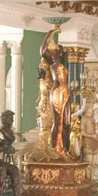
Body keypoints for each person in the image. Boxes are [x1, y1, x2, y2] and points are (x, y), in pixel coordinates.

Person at [41, 27, 71, 156]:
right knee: (57, 121)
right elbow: (42, 51)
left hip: (66, 91)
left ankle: (64, 149)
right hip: (57, 91)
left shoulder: (63, 63)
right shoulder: (52, 62)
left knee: (67, 123)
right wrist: (49, 33)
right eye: (57, 50)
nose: (59, 51)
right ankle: (55, 150)